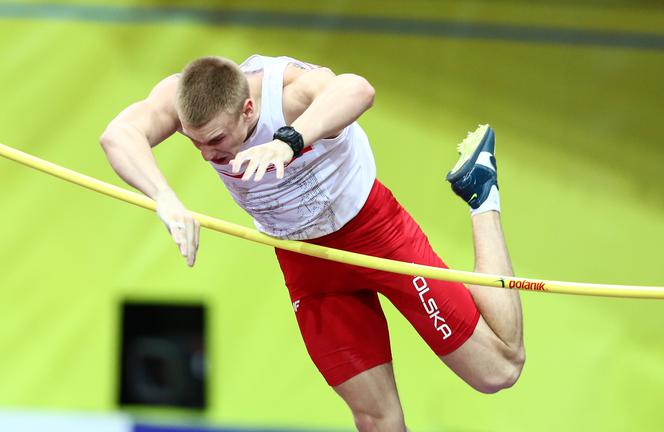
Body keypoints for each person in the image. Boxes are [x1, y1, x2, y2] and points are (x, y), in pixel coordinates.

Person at [100, 54, 525, 431]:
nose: (209, 156)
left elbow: (358, 89)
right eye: (196, 143)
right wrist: (165, 198)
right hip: (307, 261)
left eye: (217, 141)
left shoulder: (285, 91)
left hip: (374, 232)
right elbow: (118, 136)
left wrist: (289, 141)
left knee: (498, 371)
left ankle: (481, 194)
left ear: (248, 111)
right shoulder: (181, 99)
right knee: (376, 420)